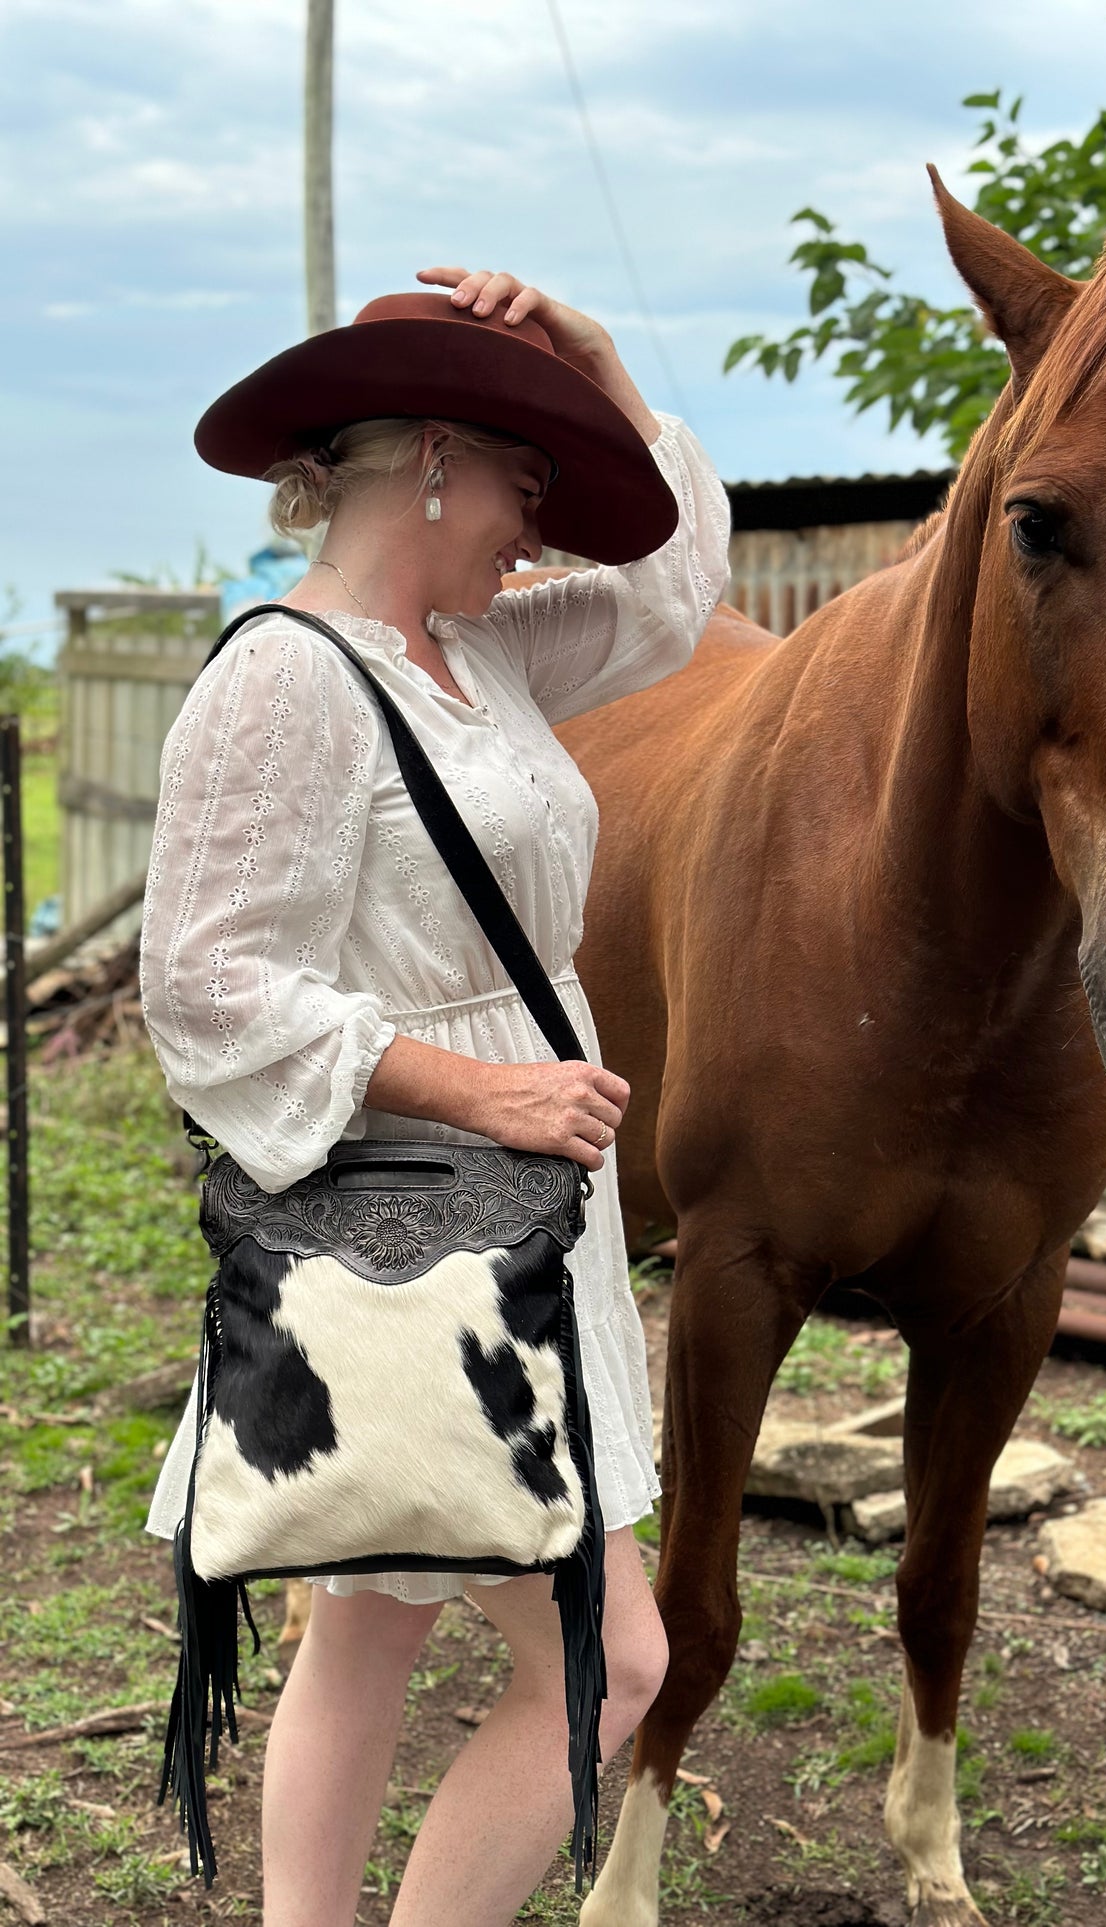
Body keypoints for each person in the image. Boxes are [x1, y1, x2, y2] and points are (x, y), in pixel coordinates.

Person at [139, 266, 731, 1927]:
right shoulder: (288, 676)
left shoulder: (479, 651)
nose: (541, 523)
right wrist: (485, 1090)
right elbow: (203, 981)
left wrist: (601, 360)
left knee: (375, 1614)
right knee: (613, 1663)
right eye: (527, 477)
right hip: (417, 1223)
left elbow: (673, 587)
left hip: (524, 1211)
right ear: (436, 463)